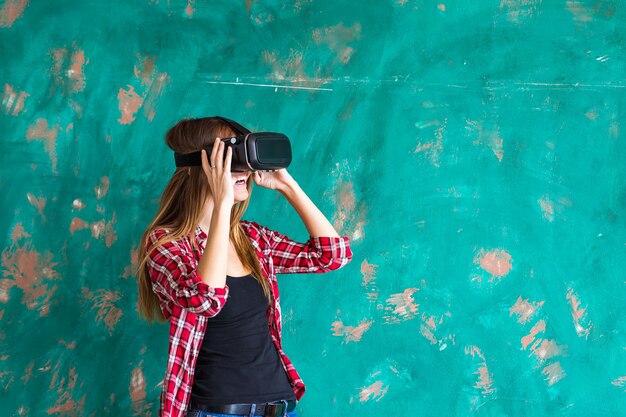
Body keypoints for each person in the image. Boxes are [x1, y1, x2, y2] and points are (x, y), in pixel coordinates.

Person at [136, 117, 353, 417]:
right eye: (231, 159)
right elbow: (205, 299)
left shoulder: (252, 238)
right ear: (203, 166)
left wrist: (287, 185)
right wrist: (223, 202)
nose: (245, 171)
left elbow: (331, 256)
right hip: (218, 411)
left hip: (281, 407)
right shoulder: (167, 243)